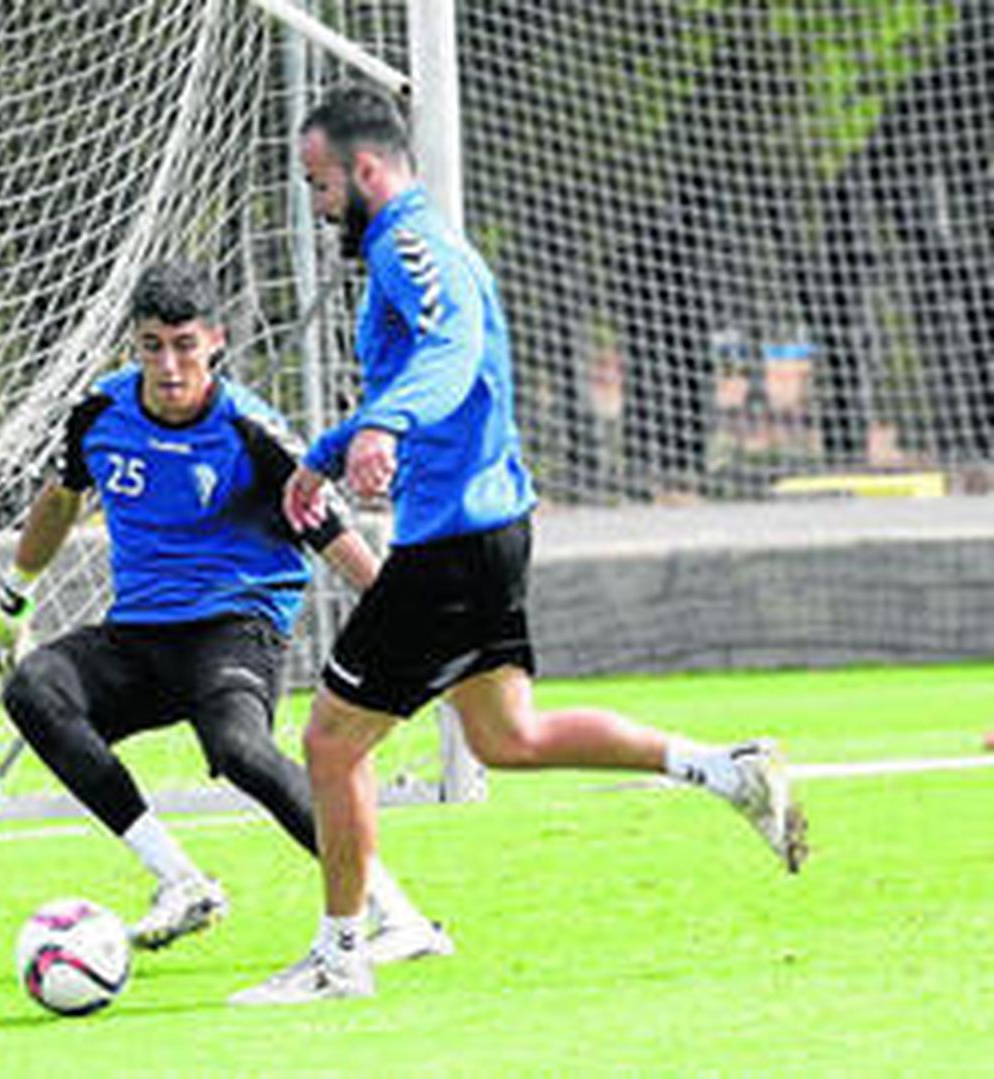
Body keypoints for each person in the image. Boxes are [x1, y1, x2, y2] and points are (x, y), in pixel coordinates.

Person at [231, 85, 808, 1006]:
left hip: (452, 543)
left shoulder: (411, 246)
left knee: (330, 741)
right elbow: (433, 371)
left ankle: (343, 955)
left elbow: (451, 353)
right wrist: (332, 452)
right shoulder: (412, 246)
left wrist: (381, 427)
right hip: (489, 531)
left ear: (366, 169)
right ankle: (724, 770)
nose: (318, 203)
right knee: (508, 736)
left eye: (321, 183)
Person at [0, 261, 451, 962]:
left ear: (215, 342)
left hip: (237, 625)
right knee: (34, 689)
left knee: (240, 751)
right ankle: (180, 880)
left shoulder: (252, 430)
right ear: (134, 344)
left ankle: (398, 915)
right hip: (139, 633)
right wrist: (15, 597)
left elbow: (331, 533)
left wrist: (405, 619)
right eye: (152, 346)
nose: (169, 365)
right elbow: (59, 499)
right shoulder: (99, 415)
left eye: (184, 345)